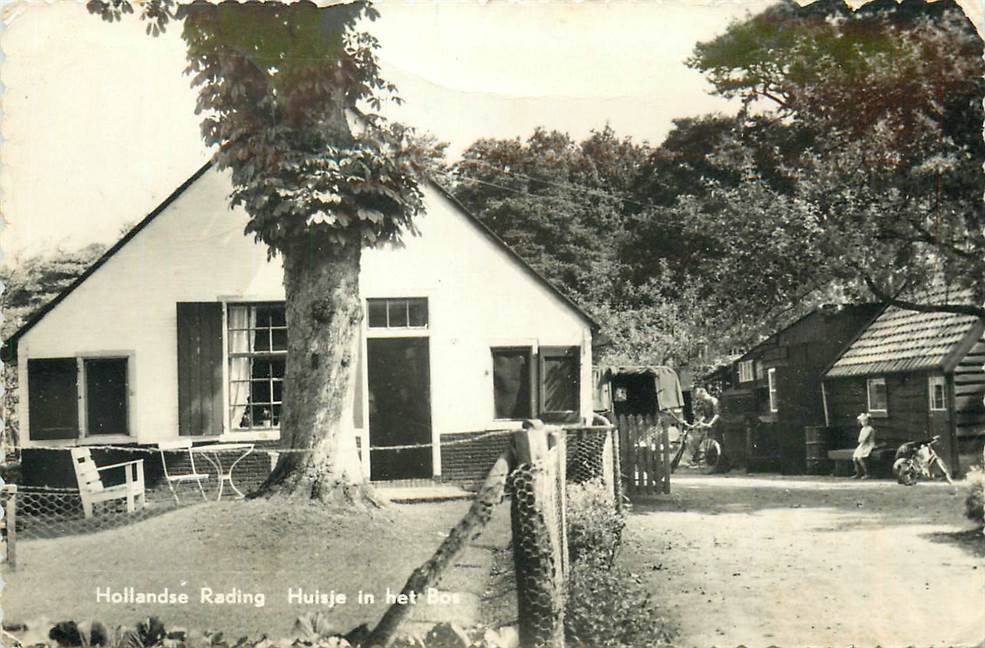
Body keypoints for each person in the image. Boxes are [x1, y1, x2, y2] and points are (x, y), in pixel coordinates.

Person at [687, 387, 721, 464]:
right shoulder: (705, 402)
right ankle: (710, 462)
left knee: (715, 443)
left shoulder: (713, 401)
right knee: (705, 442)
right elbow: (705, 416)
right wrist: (696, 424)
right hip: (708, 425)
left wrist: (710, 423)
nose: (700, 399)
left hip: (716, 424)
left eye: (700, 396)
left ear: (703, 392)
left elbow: (717, 414)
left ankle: (718, 463)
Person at [853, 412, 876, 479]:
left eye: (865, 421)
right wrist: (861, 440)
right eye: (862, 421)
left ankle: (867, 473)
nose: (863, 422)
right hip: (862, 445)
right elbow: (859, 439)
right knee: (855, 458)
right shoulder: (863, 429)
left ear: (868, 421)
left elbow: (864, 439)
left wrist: (861, 440)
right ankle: (858, 473)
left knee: (860, 458)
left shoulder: (870, 429)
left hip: (869, 445)